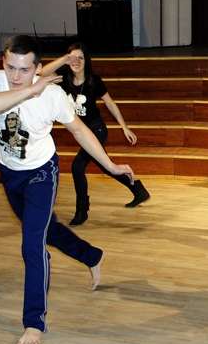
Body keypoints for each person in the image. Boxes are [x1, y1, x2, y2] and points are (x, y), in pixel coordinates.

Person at [0, 35, 134, 344]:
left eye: (25, 70)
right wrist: (29, 88)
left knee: (32, 243)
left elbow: (80, 130)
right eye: (11, 68)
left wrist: (110, 166)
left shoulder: (53, 95)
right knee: (49, 230)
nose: (16, 77)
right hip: (10, 173)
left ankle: (34, 323)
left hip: (42, 173)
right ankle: (92, 255)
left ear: (38, 67)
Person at [39, 42, 149, 226]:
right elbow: (41, 74)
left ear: (85, 60)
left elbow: (111, 105)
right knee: (107, 167)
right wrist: (64, 60)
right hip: (82, 133)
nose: (76, 61)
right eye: (72, 58)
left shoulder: (93, 80)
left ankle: (82, 211)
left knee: (77, 167)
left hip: (97, 129)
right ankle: (138, 191)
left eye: (80, 58)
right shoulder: (63, 80)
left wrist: (125, 127)